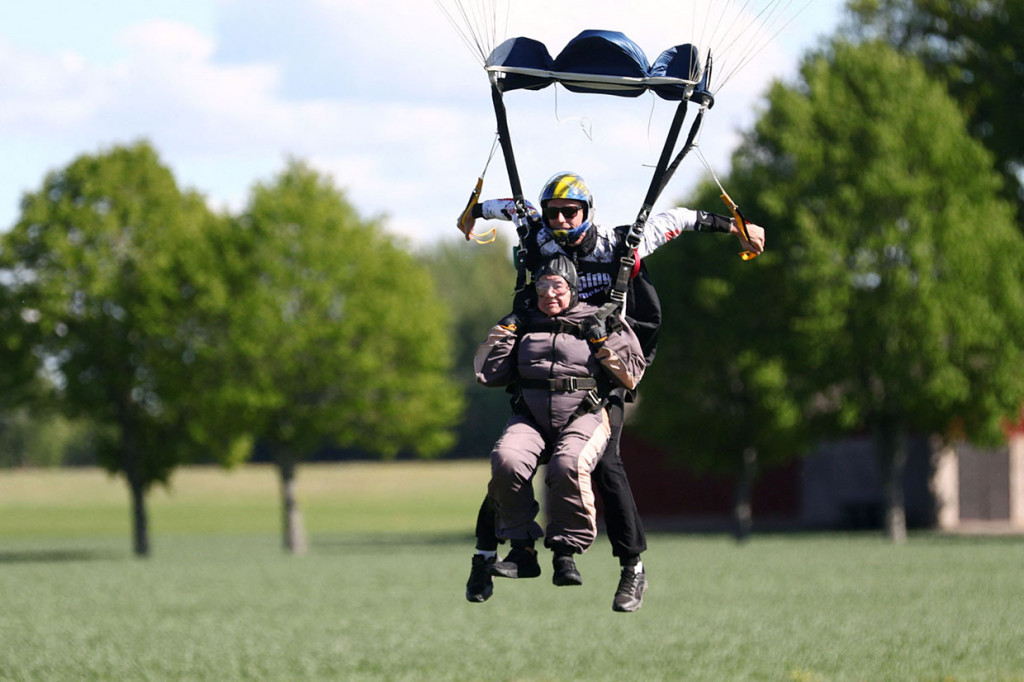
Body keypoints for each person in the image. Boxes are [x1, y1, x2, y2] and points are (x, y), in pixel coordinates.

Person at [463, 171, 766, 612]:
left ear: (587, 212)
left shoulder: (618, 243)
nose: (561, 221)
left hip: (604, 374)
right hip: (545, 367)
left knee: (606, 466)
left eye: (571, 212)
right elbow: (508, 207)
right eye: (554, 213)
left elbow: (677, 220)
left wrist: (736, 225)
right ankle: (486, 556)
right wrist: (473, 212)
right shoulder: (536, 232)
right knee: (510, 463)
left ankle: (632, 568)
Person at [472, 254, 646, 595]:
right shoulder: (525, 321)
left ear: (574, 290)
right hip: (531, 417)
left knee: (568, 464)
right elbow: (486, 373)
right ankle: (521, 549)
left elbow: (630, 375)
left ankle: (566, 551)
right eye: (543, 287)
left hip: (584, 413)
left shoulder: (601, 319)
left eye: (558, 287)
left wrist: (601, 342)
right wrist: (505, 331)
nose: (549, 294)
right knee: (506, 460)